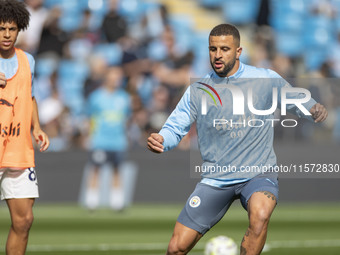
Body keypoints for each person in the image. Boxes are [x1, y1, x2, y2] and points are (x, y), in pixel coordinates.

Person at [147, 24, 328, 255]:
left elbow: (295, 99)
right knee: (176, 247)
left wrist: (313, 108)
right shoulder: (199, 89)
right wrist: (162, 139)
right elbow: (176, 126)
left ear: (238, 51)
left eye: (224, 49)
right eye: (213, 49)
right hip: (216, 179)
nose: (218, 55)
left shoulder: (264, 79)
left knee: (260, 215)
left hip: (257, 173)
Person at [0, 1, 50, 254]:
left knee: (24, 220)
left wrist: (37, 127)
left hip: (18, 149)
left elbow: (30, 97)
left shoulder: (28, 60)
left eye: (12, 29)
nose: (7, 35)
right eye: (1, 29)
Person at [84, 66, 131, 211]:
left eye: (119, 76)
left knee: (117, 170)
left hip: (118, 141)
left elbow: (126, 119)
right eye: (114, 76)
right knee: (95, 169)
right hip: (100, 140)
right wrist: (89, 136)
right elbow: (89, 118)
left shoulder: (124, 97)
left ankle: (116, 202)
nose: (117, 79)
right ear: (107, 78)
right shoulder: (96, 97)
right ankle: (91, 202)